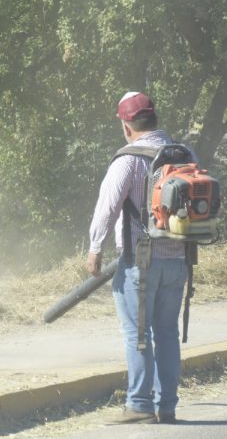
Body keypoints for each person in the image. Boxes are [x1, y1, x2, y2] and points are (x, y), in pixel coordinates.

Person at [86, 91, 188, 424]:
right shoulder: (183, 154)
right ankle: (167, 405)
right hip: (179, 260)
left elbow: (107, 207)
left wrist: (95, 248)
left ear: (126, 126)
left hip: (140, 262)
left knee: (138, 335)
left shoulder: (128, 160)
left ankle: (140, 405)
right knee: (167, 333)